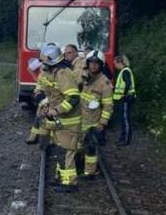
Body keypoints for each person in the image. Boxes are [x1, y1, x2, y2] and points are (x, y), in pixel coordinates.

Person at [36, 43, 83, 192]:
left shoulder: (63, 74)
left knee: (67, 151)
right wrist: (43, 102)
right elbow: (44, 89)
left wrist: (56, 110)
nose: (43, 65)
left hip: (69, 121)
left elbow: (73, 98)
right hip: (59, 121)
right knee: (60, 149)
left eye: (44, 62)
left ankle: (70, 183)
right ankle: (61, 177)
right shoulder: (50, 72)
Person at [78, 50, 113, 179]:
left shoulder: (105, 83)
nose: (93, 65)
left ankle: (90, 172)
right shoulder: (81, 77)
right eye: (91, 62)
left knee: (90, 147)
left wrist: (102, 123)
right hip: (78, 118)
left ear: (101, 65)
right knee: (76, 146)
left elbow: (108, 106)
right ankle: (79, 167)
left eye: (96, 63)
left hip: (93, 122)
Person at [25, 52, 49, 145]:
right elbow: (39, 83)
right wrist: (38, 93)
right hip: (44, 95)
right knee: (41, 115)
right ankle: (35, 137)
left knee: (45, 116)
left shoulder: (57, 71)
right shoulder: (44, 69)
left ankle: (40, 139)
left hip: (52, 97)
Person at [113, 55, 136, 146]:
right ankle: (123, 138)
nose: (115, 65)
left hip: (125, 99)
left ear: (120, 62)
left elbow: (128, 83)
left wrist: (124, 95)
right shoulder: (124, 71)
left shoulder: (125, 71)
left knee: (125, 119)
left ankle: (126, 140)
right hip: (123, 99)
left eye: (115, 63)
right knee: (123, 119)